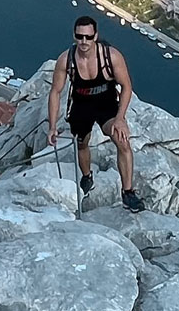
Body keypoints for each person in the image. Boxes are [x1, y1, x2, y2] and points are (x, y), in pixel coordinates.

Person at [47, 14, 144, 211]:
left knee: (122, 141)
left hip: (106, 104)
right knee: (82, 143)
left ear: (96, 36)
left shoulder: (111, 56)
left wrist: (120, 118)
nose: (84, 41)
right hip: (81, 106)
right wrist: (52, 127)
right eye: (80, 36)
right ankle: (87, 176)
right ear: (74, 36)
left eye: (88, 37)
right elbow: (55, 92)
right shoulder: (66, 60)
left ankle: (128, 192)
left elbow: (126, 86)